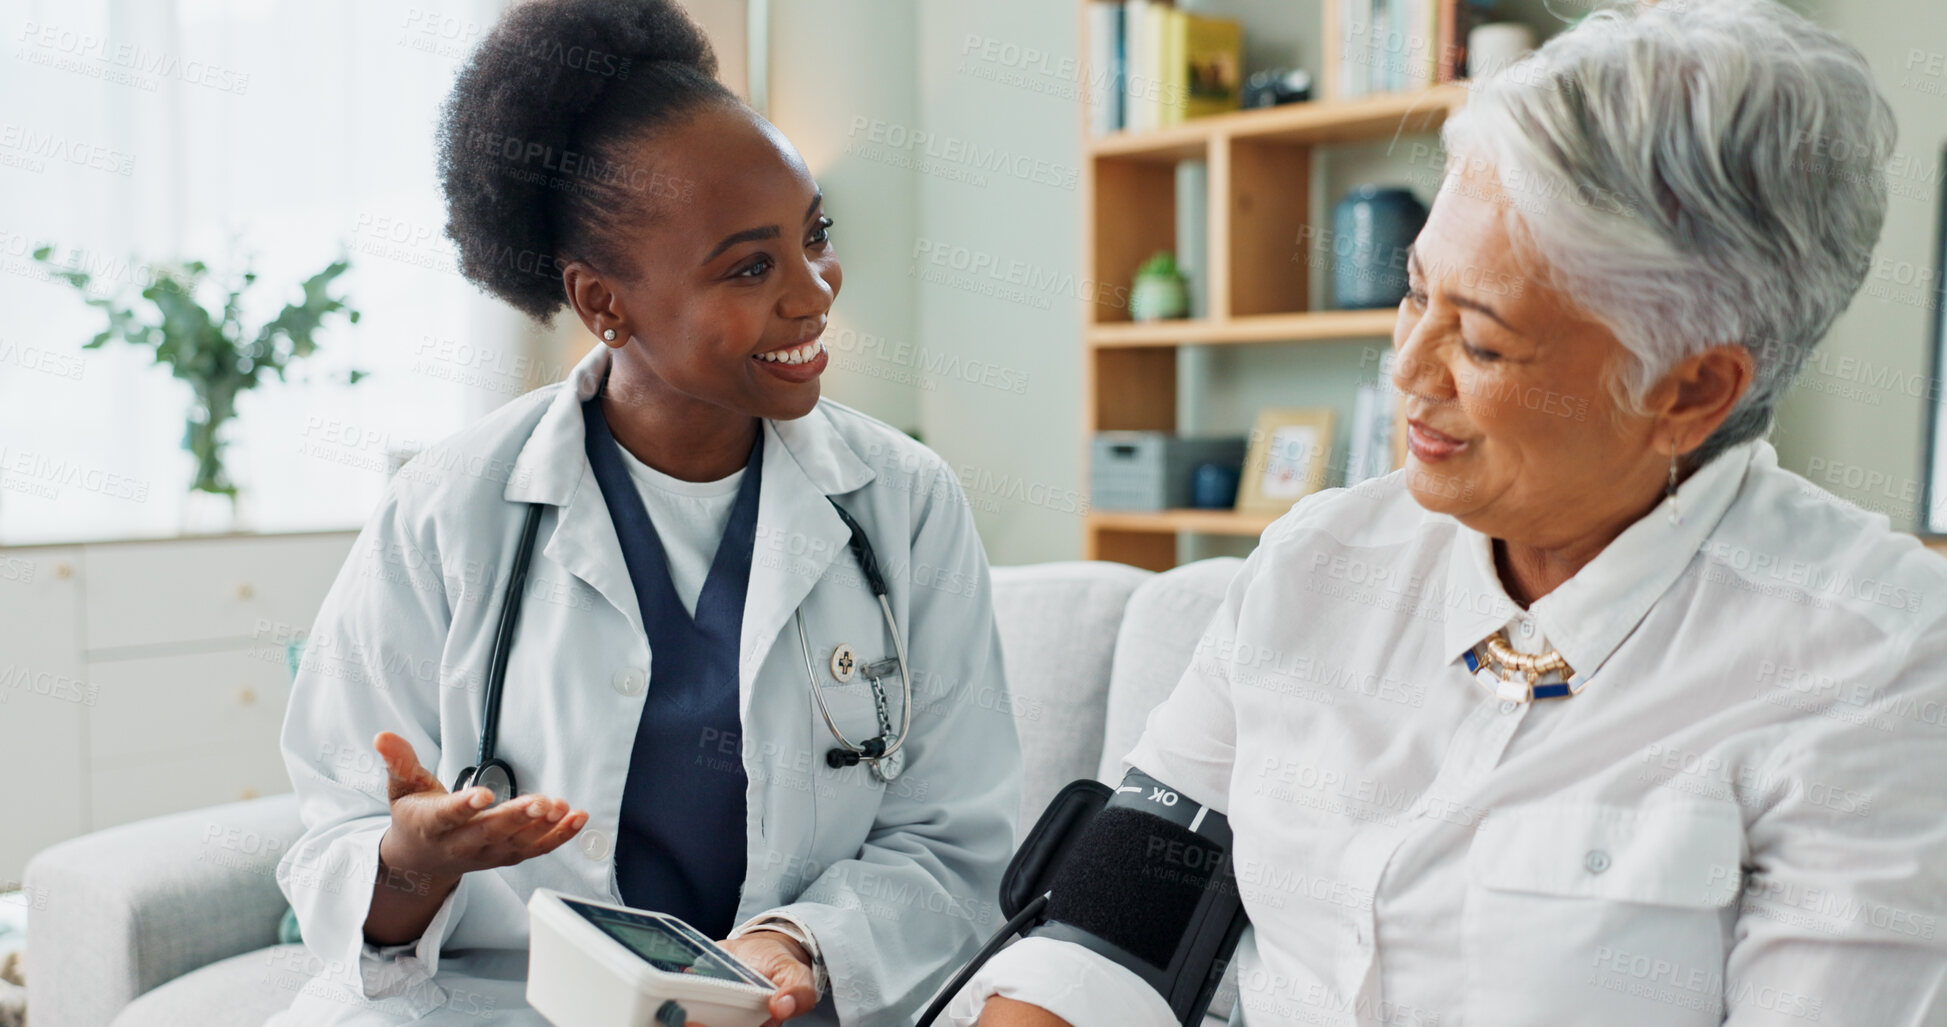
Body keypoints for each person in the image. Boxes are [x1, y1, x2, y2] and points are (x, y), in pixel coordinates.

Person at [964, 1, 1947, 1025]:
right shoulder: (1316, 562)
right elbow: (1111, 928)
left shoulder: (1877, 668)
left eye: (1481, 344)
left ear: (1692, 390)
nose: (1407, 369)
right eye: (1413, 293)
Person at [270, 2, 1020, 1024]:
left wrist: (789, 943)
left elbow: (954, 839)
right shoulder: (446, 512)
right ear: (603, 303)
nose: (813, 293)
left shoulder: (905, 502)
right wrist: (408, 863)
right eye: (752, 266)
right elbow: (336, 838)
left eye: (815, 236)